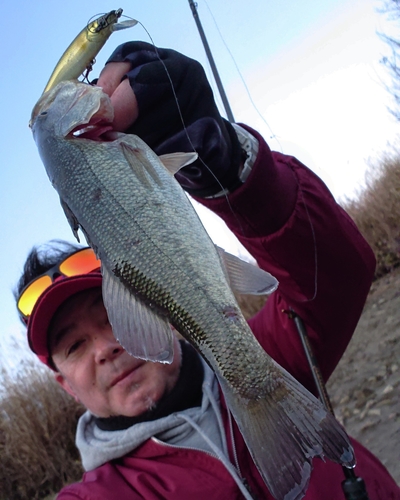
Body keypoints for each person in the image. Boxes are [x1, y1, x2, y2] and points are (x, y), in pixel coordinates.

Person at [16, 41, 400, 500]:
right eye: (75, 346)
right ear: (64, 385)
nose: (105, 348)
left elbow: (335, 273)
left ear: (153, 304)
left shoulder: (271, 355)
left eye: (111, 316)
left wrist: (236, 168)